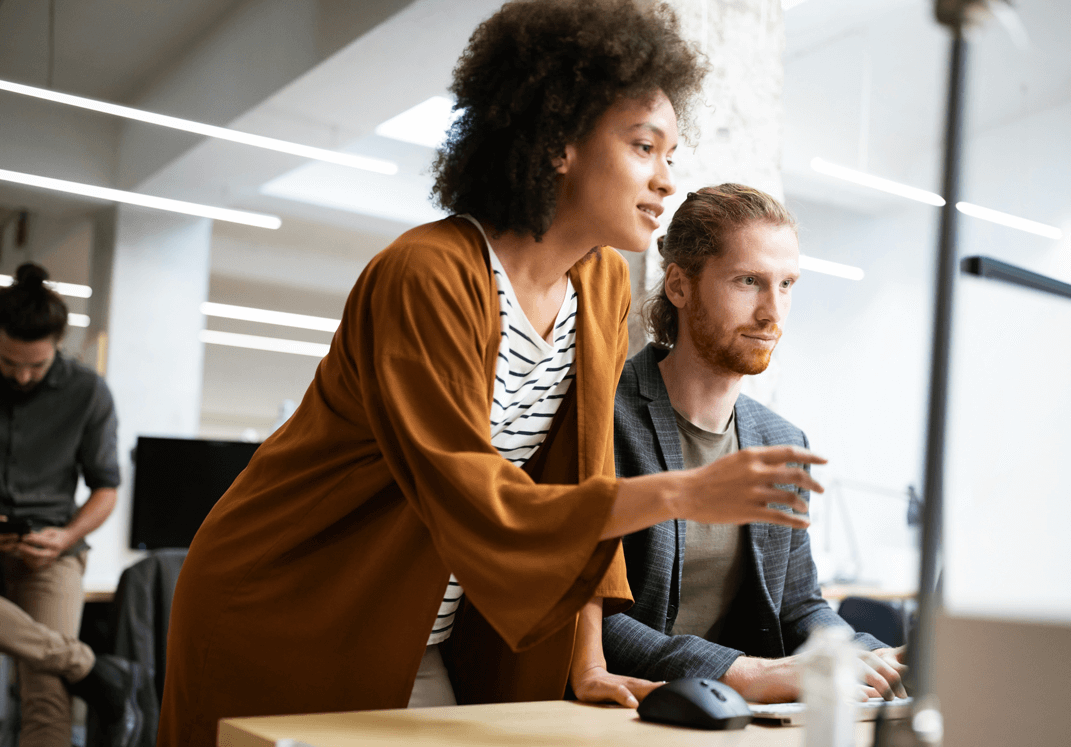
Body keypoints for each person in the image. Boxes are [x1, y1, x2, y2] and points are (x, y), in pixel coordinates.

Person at [159, 2, 831, 744]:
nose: (665, 180)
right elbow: (473, 497)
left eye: (671, 155)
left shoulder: (602, 285)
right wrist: (681, 491)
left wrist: (588, 660)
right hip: (297, 602)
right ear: (558, 143)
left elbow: (578, 482)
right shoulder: (427, 274)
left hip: (426, 619)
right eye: (644, 147)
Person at [596, 184, 908, 704]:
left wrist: (867, 656)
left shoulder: (779, 440)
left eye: (786, 284)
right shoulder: (603, 418)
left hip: (733, 720)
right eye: (748, 281)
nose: (772, 312)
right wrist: (743, 672)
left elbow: (799, 606)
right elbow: (594, 621)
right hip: (632, 709)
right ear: (679, 284)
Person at [0, 263, 148, 747]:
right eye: (10, 363)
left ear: (58, 345)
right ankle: (88, 665)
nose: (23, 376)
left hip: (49, 551)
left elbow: (106, 487)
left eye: (37, 365)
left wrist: (66, 537)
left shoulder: (88, 392)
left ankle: (68, 667)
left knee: (45, 689)